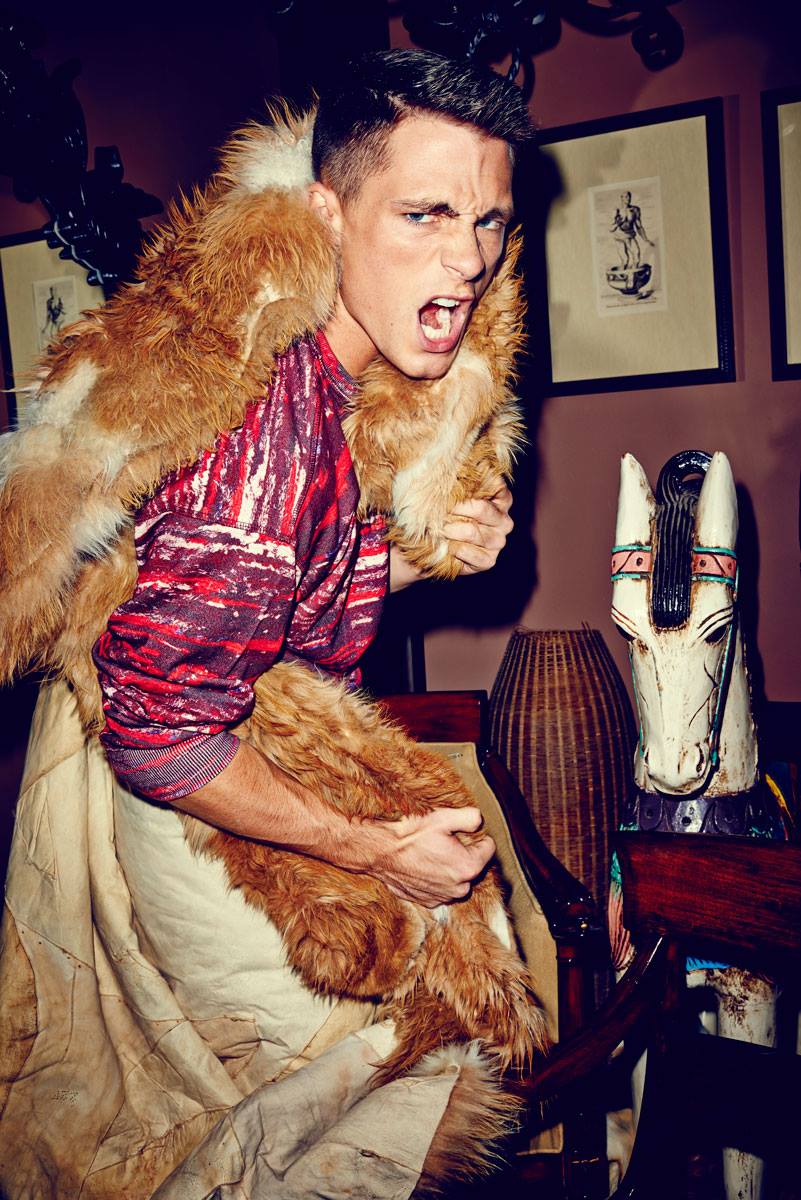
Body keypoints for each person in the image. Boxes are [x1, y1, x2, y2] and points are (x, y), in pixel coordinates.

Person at [0, 49, 535, 1198]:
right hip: (201, 815)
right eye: (425, 214)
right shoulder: (265, 435)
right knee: (328, 1118)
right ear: (327, 214)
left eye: (488, 220)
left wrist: (410, 561)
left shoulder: (322, 376)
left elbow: (274, 603)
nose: (467, 257)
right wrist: (373, 851)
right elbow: (161, 734)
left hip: (211, 752)